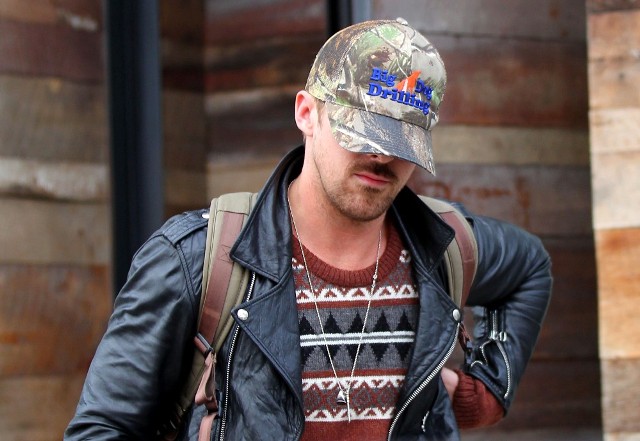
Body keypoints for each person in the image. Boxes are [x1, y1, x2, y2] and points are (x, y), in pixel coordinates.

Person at [65, 18, 552, 441]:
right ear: (306, 114)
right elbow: (101, 428)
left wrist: (481, 395)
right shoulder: (198, 258)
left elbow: (530, 267)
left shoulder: (442, 245)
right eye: (362, 132)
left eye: (401, 140)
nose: (381, 155)